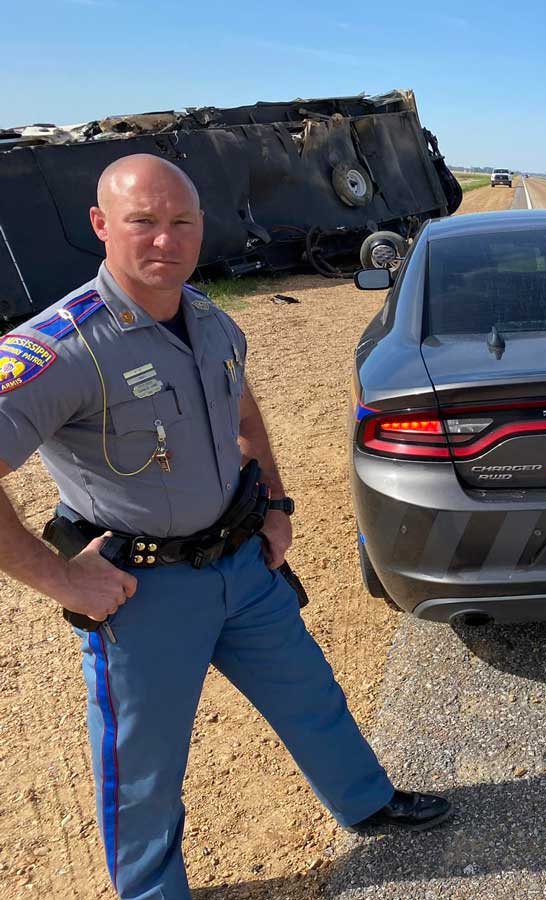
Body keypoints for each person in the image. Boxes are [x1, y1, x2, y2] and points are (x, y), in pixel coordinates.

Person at [0, 154, 450, 900]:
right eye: (143, 221)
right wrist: (61, 579)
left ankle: (366, 803)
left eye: (181, 222)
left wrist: (274, 503)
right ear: (100, 225)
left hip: (242, 567)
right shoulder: (61, 349)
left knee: (311, 695)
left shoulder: (210, 320)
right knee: (144, 769)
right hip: (139, 596)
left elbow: (242, 413)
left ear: (202, 227)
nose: (165, 240)